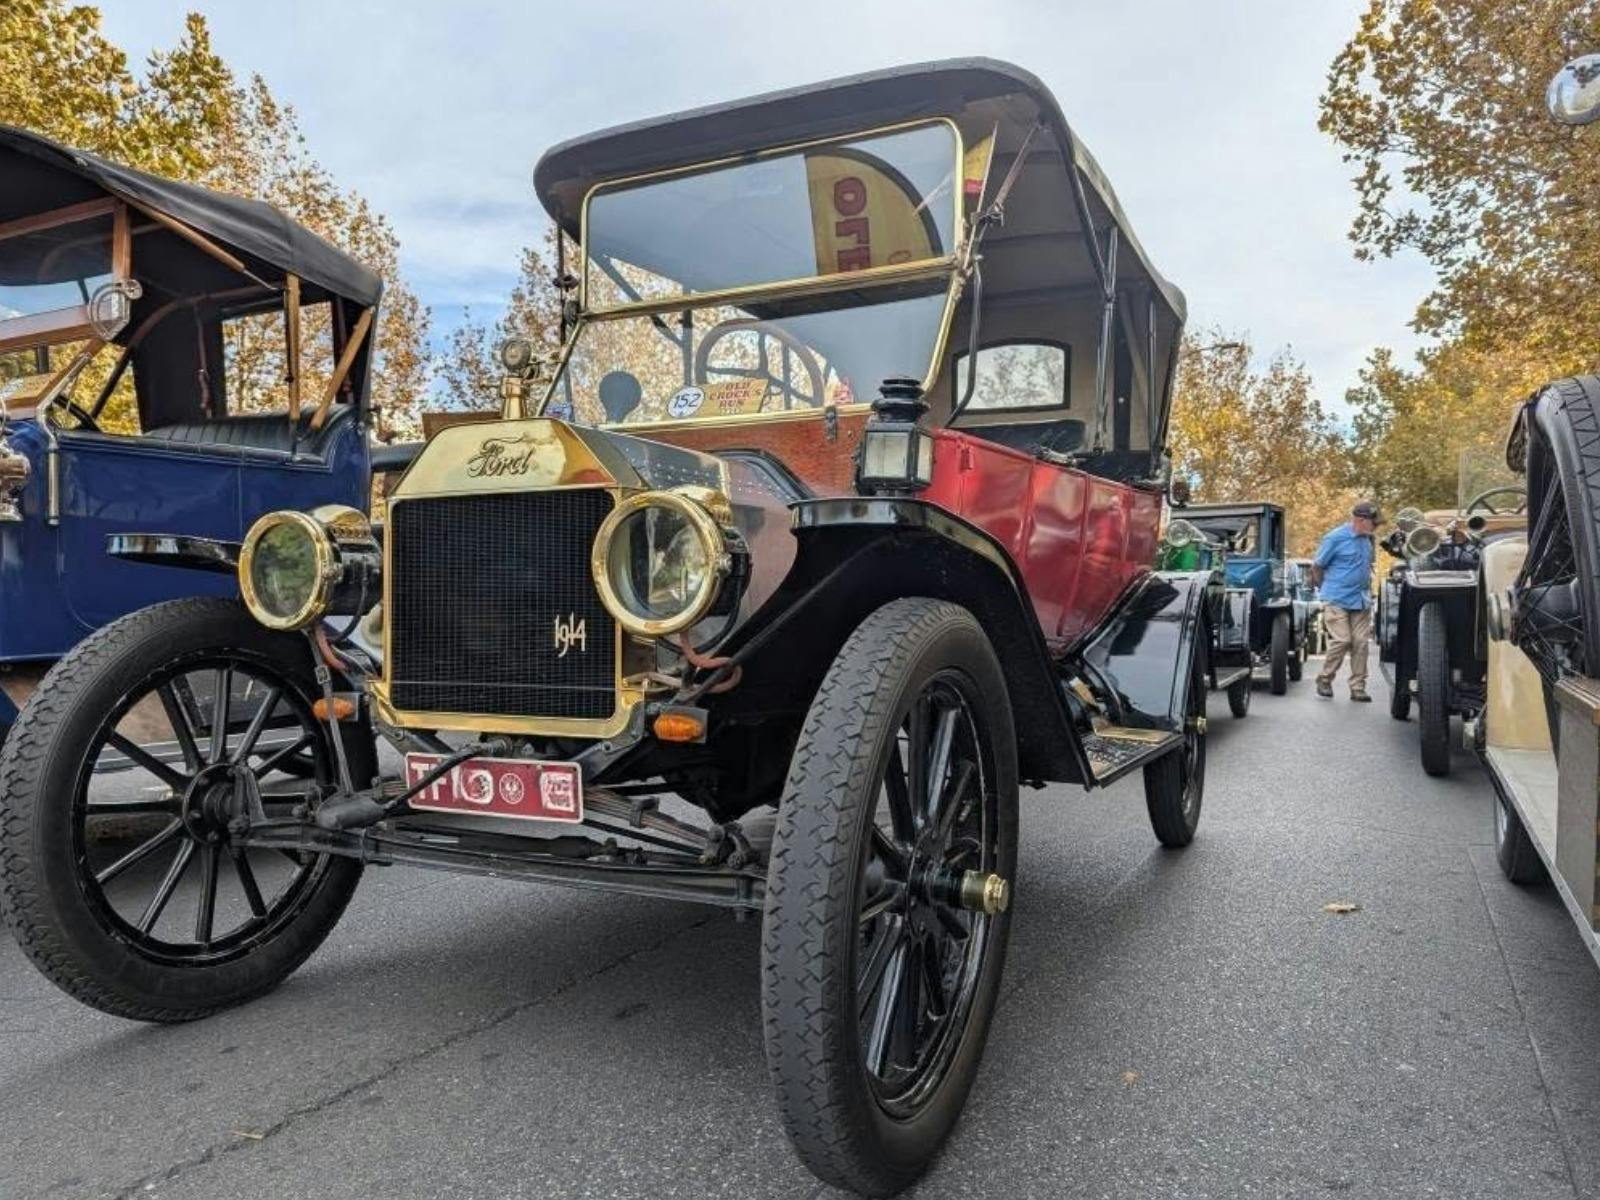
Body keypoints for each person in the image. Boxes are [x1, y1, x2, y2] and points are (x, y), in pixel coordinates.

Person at [1310, 501, 1382, 701]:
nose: (1375, 527)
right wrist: (1327, 590)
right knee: (1342, 640)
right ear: (1360, 520)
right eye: (1373, 523)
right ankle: (1324, 679)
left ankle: (1358, 687)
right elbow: (1317, 567)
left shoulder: (1368, 540)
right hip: (1336, 598)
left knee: (1361, 643)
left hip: (1360, 599)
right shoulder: (1334, 538)